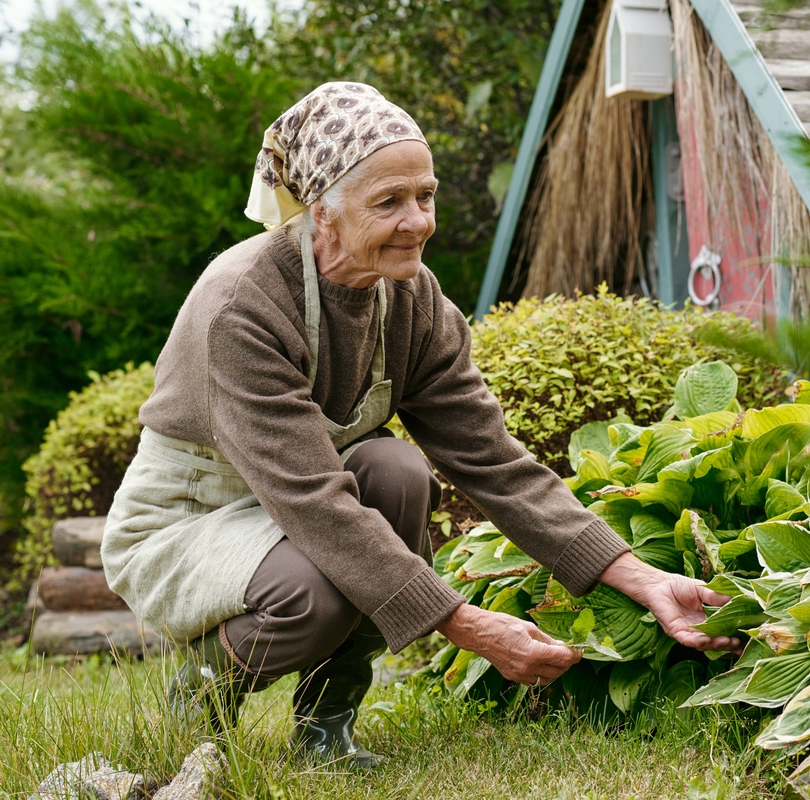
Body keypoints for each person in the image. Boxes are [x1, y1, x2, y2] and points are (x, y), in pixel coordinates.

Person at [101, 81, 738, 768]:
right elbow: (317, 503)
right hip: (190, 515)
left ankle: (325, 729)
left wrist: (642, 579)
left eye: (425, 195)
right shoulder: (241, 307)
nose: (418, 221)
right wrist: (471, 628)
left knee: (397, 471)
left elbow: (493, 461)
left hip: (299, 504)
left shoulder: (411, 299)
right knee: (312, 593)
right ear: (323, 213)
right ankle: (199, 692)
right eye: (389, 202)